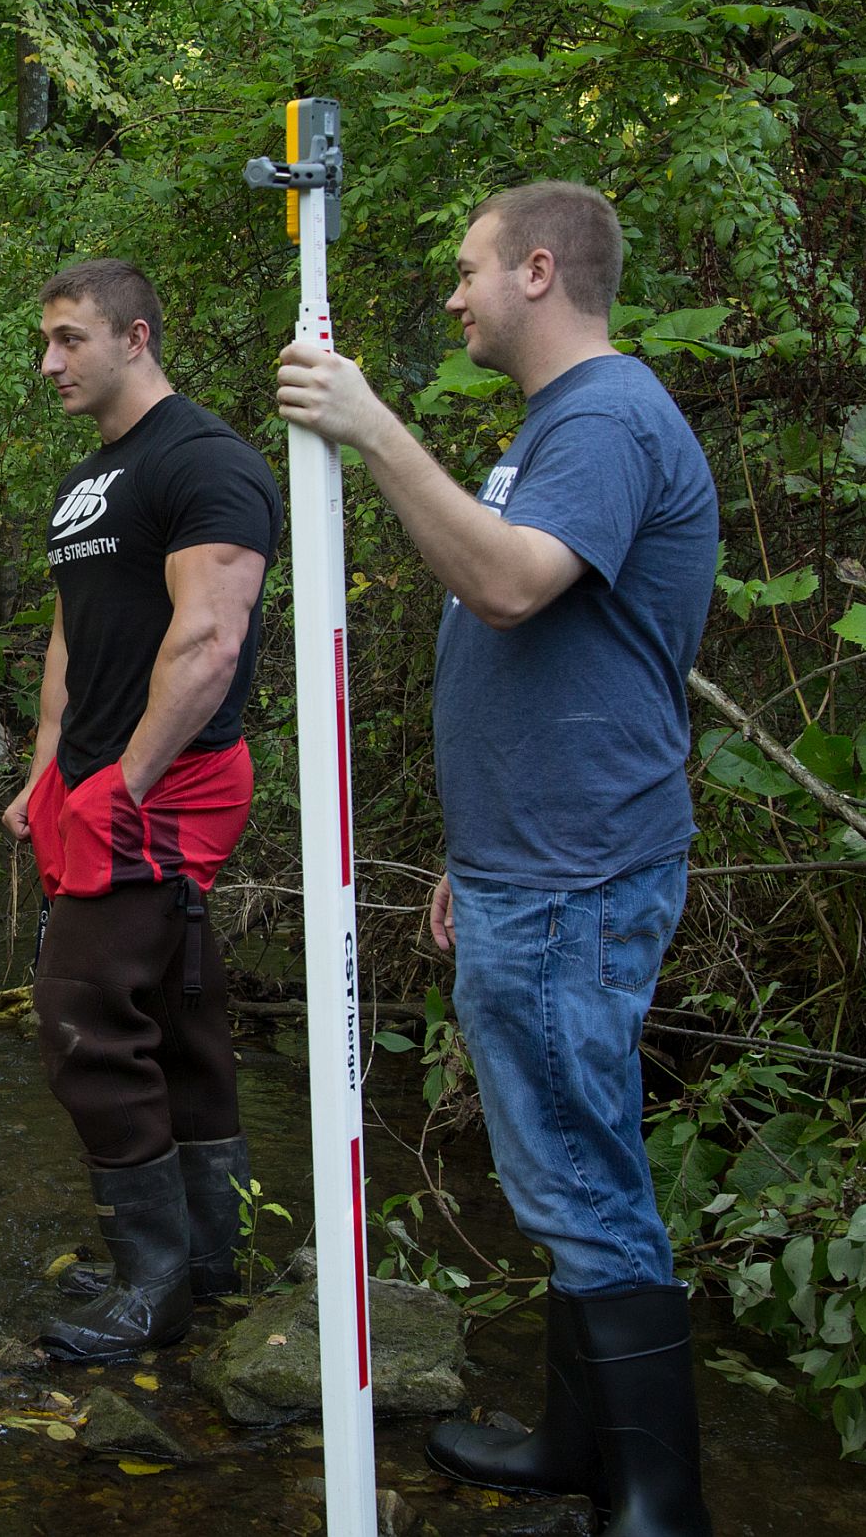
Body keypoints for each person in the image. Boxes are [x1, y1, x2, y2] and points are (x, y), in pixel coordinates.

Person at [276, 181, 718, 1535]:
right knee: (565, 1168)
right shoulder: (561, 427)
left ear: (539, 270)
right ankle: (586, 1447)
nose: (455, 296)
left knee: (583, 1175)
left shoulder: (605, 416)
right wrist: (478, 850)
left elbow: (513, 581)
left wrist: (369, 428)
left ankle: (658, 1498)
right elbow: (533, 634)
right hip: (538, 866)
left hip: (580, 874)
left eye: (469, 271)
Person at [2, 260, 280, 1364]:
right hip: (97, 779)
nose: (50, 363)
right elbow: (76, 635)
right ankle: (209, 1261)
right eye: (47, 342)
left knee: (84, 1021)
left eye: (70, 340)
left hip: (170, 780)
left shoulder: (208, 461)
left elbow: (209, 639)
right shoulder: (89, 483)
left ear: (137, 337)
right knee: (172, 1013)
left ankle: (151, 1288)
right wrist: (45, 772)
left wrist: (128, 782)